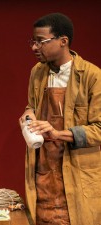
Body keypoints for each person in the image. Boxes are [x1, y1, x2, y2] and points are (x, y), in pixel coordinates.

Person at [19, 13, 101, 225]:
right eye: (33, 41)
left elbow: (99, 129)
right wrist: (29, 116)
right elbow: (32, 106)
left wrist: (57, 134)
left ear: (63, 41)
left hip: (77, 174)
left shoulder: (92, 76)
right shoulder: (37, 72)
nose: (34, 48)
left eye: (40, 41)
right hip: (45, 171)